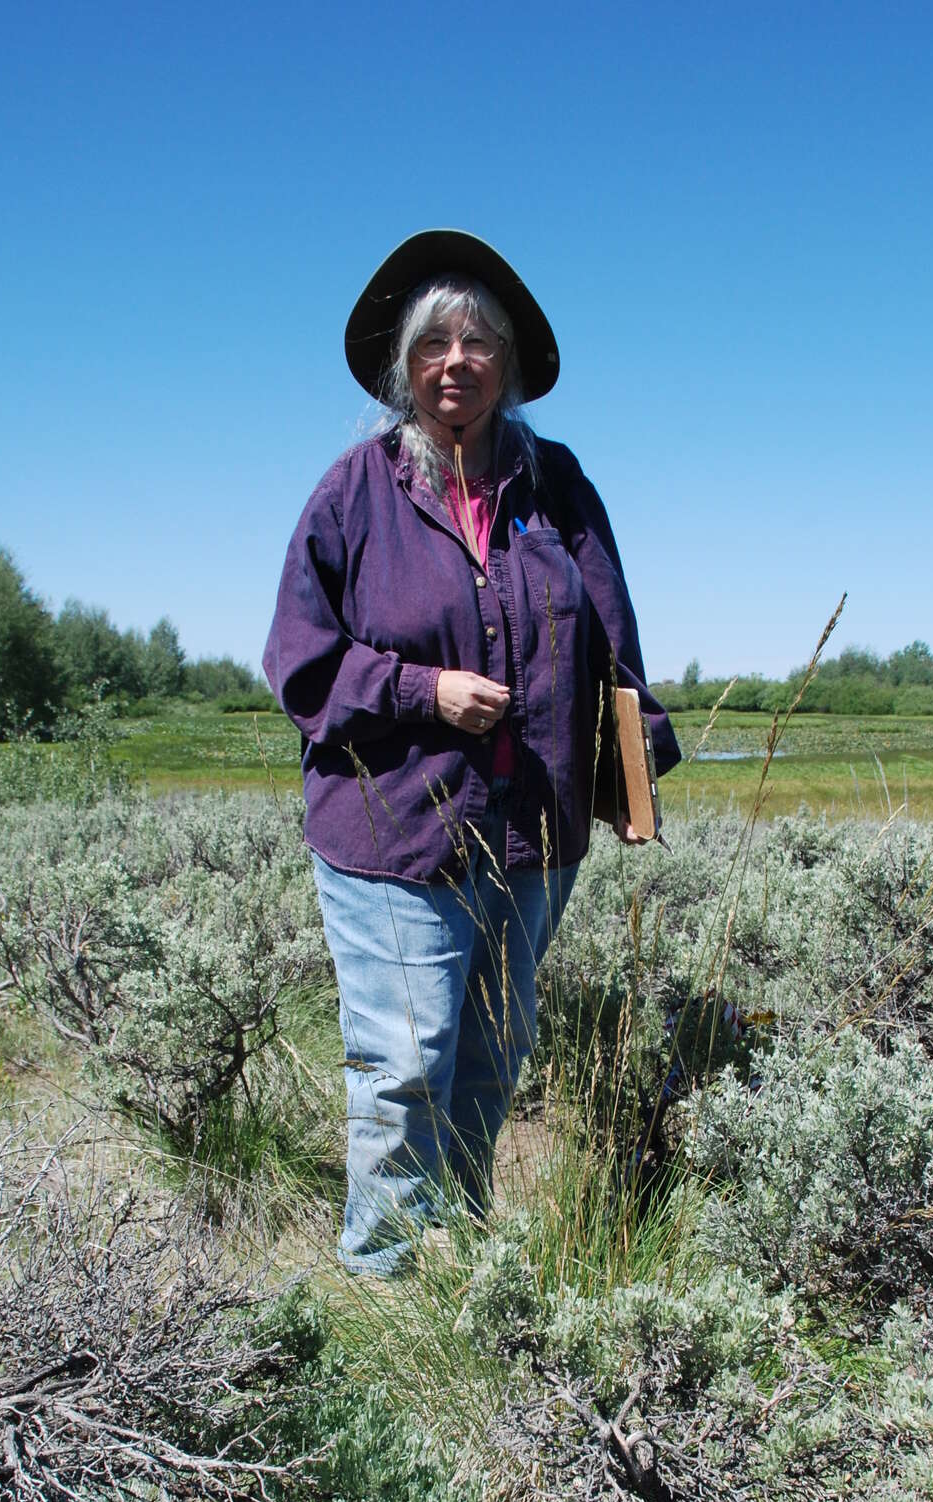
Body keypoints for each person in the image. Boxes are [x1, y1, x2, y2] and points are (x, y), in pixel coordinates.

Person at [264, 229, 679, 1276]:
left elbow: (612, 638)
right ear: (405, 367)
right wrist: (422, 691)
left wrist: (635, 766)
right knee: (405, 1062)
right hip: (396, 832)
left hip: (536, 833)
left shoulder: (560, 485)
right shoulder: (353, 493)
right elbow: (301, 667)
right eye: (434, 342)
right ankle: (385, 1282)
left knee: (492, 1062)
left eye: (478, 340)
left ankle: (462, 1257)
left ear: (509, 363)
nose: (456, 360)